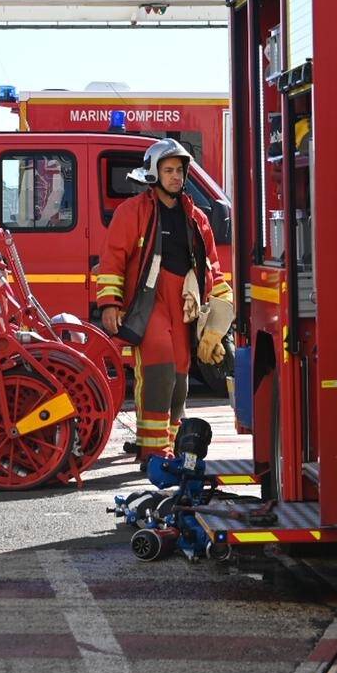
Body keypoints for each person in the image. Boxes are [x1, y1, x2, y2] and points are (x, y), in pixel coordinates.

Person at [96, 139, 232, 460]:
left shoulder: (196, 217)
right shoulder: (133, 212)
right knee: (160, 369)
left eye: (179, 170)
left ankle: (168, 445)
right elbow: (113, 258)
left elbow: (211, 266)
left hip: (185, 304)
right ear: (153, 173)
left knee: (181, 376)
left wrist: (220, 319)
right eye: (168, 170)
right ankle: (152, 452)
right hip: (149, 301)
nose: (175, 176)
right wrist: (110, 303)